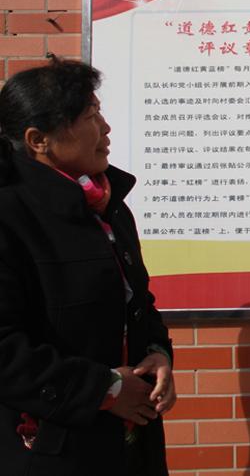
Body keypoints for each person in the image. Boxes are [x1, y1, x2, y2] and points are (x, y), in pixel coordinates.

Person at [0, 58, 175, 475]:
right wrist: (105, 389)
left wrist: (156, 353)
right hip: (50, 450)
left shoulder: (108, 208)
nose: (106, 128)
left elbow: (138, 301)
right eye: (90, 116)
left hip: (131, 444)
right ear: (39, 140)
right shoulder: (9, 214)